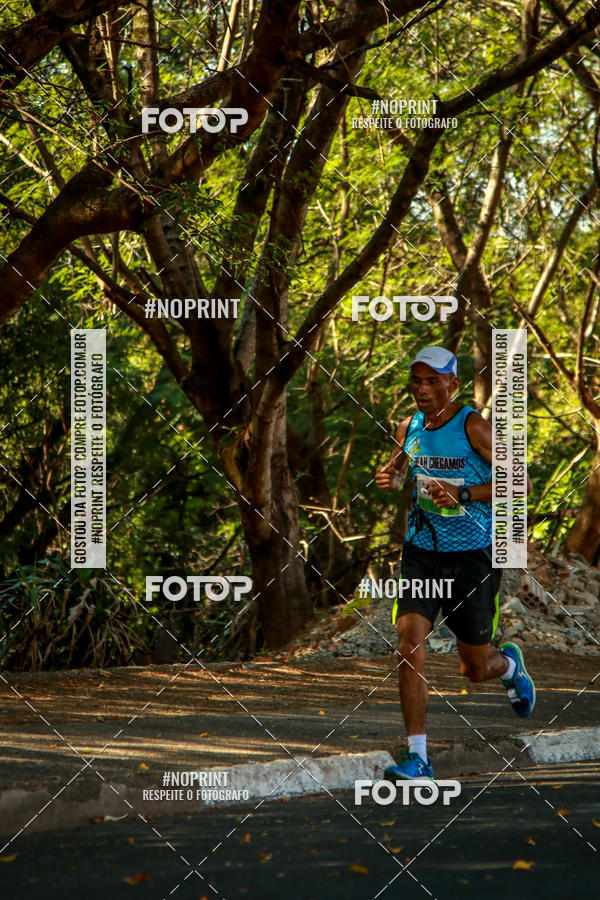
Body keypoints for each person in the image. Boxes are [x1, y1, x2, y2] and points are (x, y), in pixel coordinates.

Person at [375, 345, 534, 781]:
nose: (422, 389)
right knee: (409, 644)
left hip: (473, 556)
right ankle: (418, 758)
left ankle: (508, 666)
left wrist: (463, 493)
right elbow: (401, 473)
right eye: (416, 380)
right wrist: (391, 478)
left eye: (432, 381)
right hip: (422, 550)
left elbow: (519, 481)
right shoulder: (410, 426)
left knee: (473, 667)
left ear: (452, 383)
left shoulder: (473, 426)